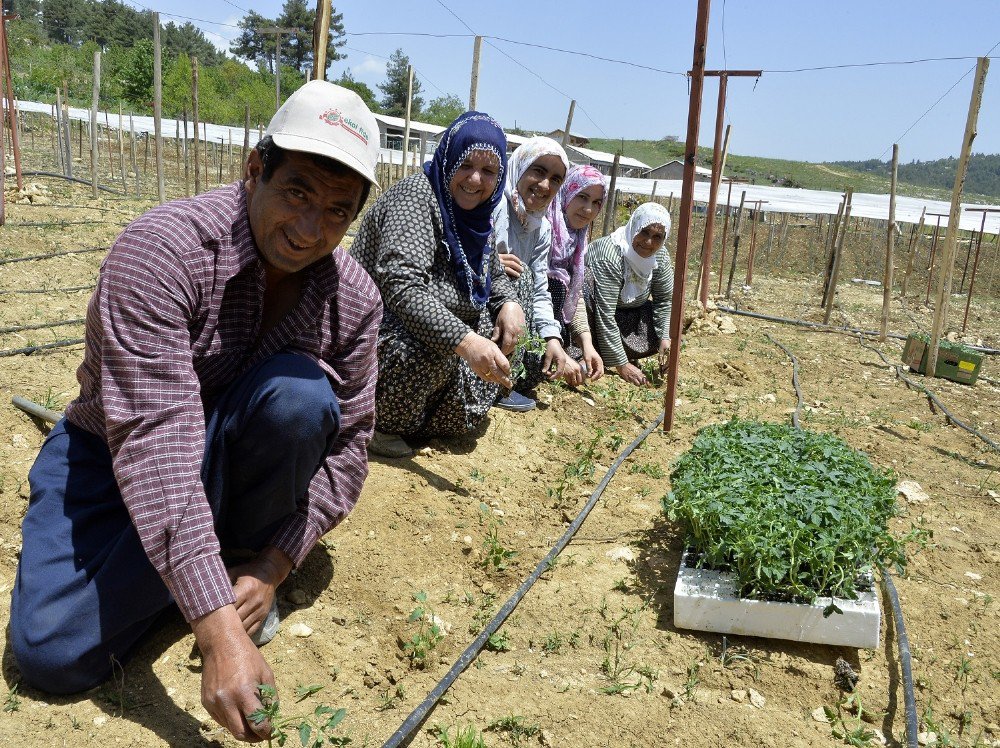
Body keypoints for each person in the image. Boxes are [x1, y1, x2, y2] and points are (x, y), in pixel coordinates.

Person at [9, 81, 382, 743]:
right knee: (51, 654)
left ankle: (223, 562)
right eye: (296, 192)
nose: (308, 229)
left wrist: (274, 565)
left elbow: (350, 445)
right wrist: (217, 631)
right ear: (253, 170)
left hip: (227, 459)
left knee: (300, 400)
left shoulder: (353, 300)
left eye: (335, 211)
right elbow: (153, 445)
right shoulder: (163, 251)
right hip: (114, 453)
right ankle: (198, 581)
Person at [350, 111, 524, 459]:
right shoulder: (417, 196)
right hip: (379, 331)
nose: (475, 180)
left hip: (443, 328)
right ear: (449, 158)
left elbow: (491, 273)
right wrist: (464, 340)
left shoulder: (476, 216)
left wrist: (508, 303)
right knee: (429, 346)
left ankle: (429, 417)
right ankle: (378, 423)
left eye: (489, 171)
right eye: (466, 164)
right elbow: (402, 286)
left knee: (518, 300)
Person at [491, 136, 581, 412]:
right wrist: (492, 263)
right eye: (538, 171)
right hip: (483, 300)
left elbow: (541, 289)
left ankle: (500, 376)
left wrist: (553, 337)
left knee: (534, 371)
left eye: (555, 179)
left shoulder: (541, 228)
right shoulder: (492, 207)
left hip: (512, 309)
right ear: (520, 166)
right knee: (522, 275)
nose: (545, 185)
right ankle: (490, 380)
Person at [585, 202, 674, 387]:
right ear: (634, 226)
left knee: (661, 325)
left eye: (657, 237)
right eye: (644, 232)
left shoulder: (660, 256)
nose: (649, 242)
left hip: (625, 315)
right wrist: (622, 365)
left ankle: (612, 351)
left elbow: (664, 301)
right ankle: (594, 352)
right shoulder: (610, 256)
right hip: (594, 316)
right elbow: (605, 314)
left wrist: (665, 337)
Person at [545, 164, 608, 381]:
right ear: (566, 192)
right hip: (531, 320)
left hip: (552, 323)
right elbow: (535, 291)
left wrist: (588, 344)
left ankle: (565, 351)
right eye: (582, 197)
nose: (588, 210)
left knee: (585, 277)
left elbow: (576, 295)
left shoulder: (578, 239)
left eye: (596, 202)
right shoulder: (542, 226)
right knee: (555, 281)